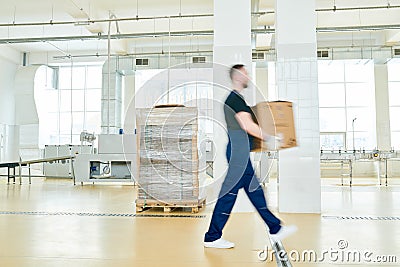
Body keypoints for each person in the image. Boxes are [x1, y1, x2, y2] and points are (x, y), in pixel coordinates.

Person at [203, 64, 297, 249]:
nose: (249, 77)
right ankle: (212, 237)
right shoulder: (235, 99)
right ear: (237, 76)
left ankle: (275, 227)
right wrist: (270, 137)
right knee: (228, 195)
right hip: (238, 152)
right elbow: (247, 125)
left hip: (240, 151)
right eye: (246, 74)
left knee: (255, 191)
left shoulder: (237, 99)